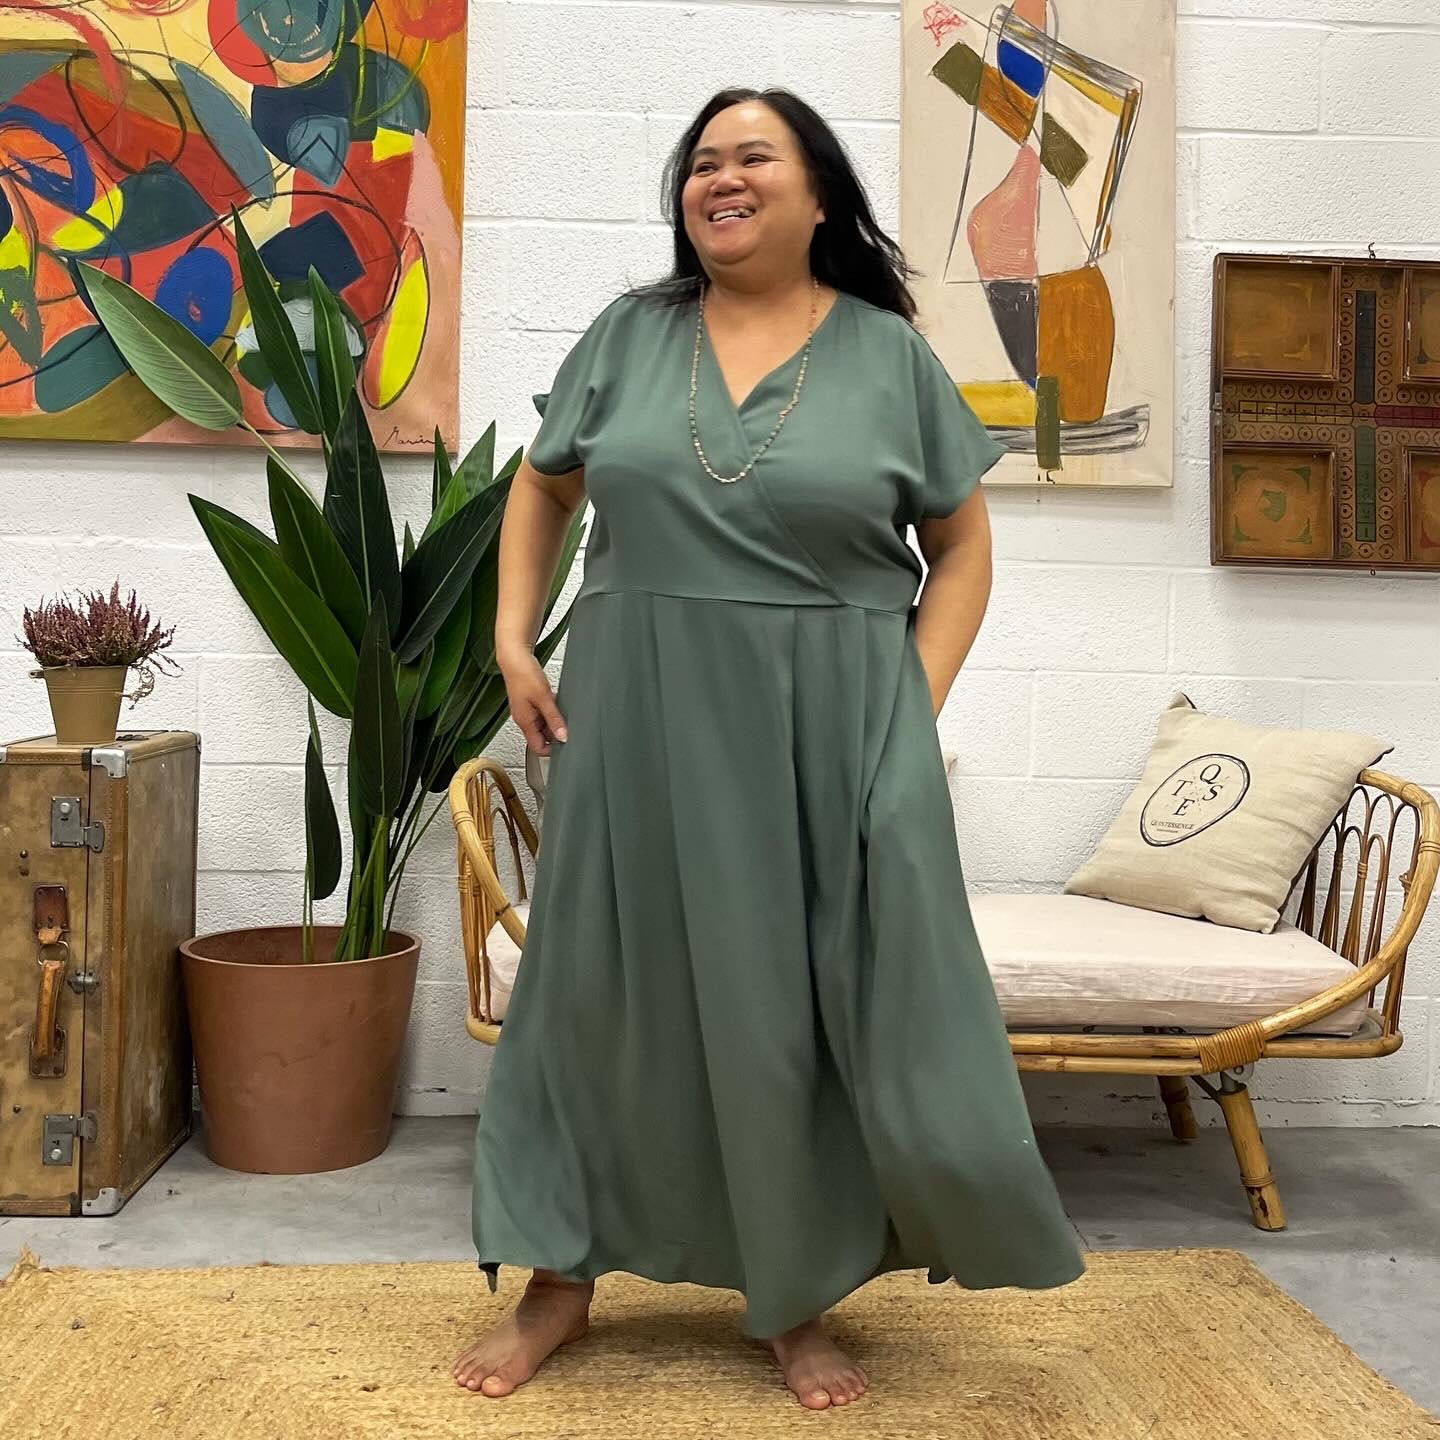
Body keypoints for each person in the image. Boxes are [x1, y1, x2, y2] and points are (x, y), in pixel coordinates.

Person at [453, 86, 1085, 1410]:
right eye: (702, 162)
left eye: (753, 157)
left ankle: (793, 1294)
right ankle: (558, 1279)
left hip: (828, 720)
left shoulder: (888, 355)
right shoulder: (630, 335)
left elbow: (962, 546)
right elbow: (545, 482)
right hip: (637, 711)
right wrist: (514, 636)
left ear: (818, 194)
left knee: (795, 1006)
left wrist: (909, 705)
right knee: (599, 996)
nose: (720, 179)